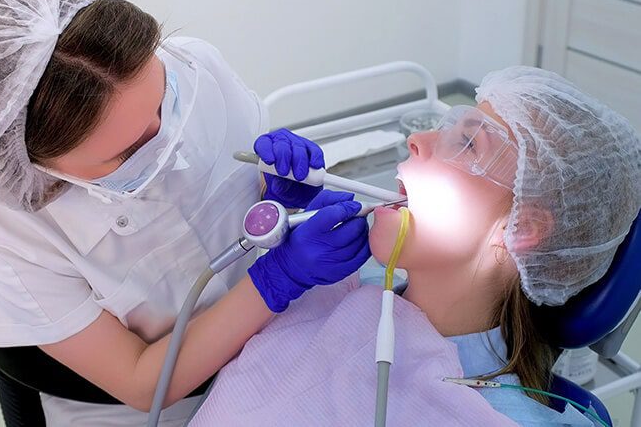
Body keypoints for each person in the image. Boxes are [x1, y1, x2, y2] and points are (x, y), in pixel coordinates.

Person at [0, 0, 370, 426]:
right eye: (129, 151)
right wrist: (277, 278)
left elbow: (252, 192)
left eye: (164, 101)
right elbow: (142, 382)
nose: (165, 139)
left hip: (283, 345)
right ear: (34, 163)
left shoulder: (196, 67)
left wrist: (282, 197)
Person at [187, 66, 641, 426]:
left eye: (467, 143)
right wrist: (277, 235)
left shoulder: (497, 417)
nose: (417, 140)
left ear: (522, 228)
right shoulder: (330, 286)